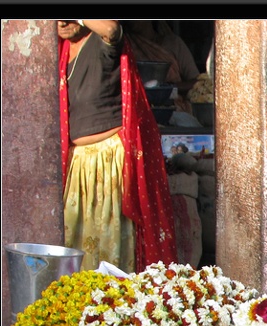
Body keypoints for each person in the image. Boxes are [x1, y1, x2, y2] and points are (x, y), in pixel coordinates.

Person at [58, 19, 177, 273]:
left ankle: (111, 308)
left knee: (107, 240)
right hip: (77, 163)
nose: (63, 22)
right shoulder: (59, 52)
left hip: (109, 159)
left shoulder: (101, 40)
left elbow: (112, 30)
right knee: (73, 240)